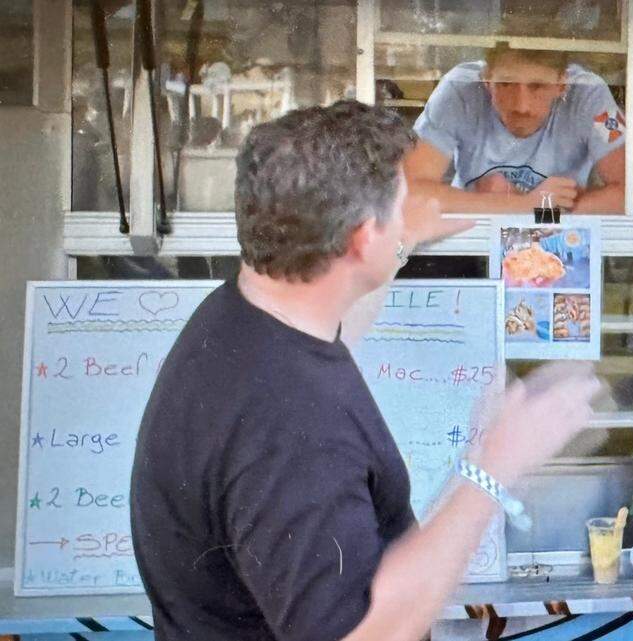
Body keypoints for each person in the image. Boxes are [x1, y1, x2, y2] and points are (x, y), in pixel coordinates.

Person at [129, 100, 602, 641]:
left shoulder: (241, 317)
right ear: (358, 238)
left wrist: (399, 241)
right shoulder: (292, 430)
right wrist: (493, 467)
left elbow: (336, 318)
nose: (408, 215)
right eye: (400, 207)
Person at [403, 41, 625, 214]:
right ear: (486, 80)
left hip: (559, 239)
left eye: (538, 86)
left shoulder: (590, 94)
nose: (521, 106)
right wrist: (529, 205)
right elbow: (409, 191)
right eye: (506, 84)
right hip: (472, 236)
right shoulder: (458, 88)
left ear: (563, 84)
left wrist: (527, 208)